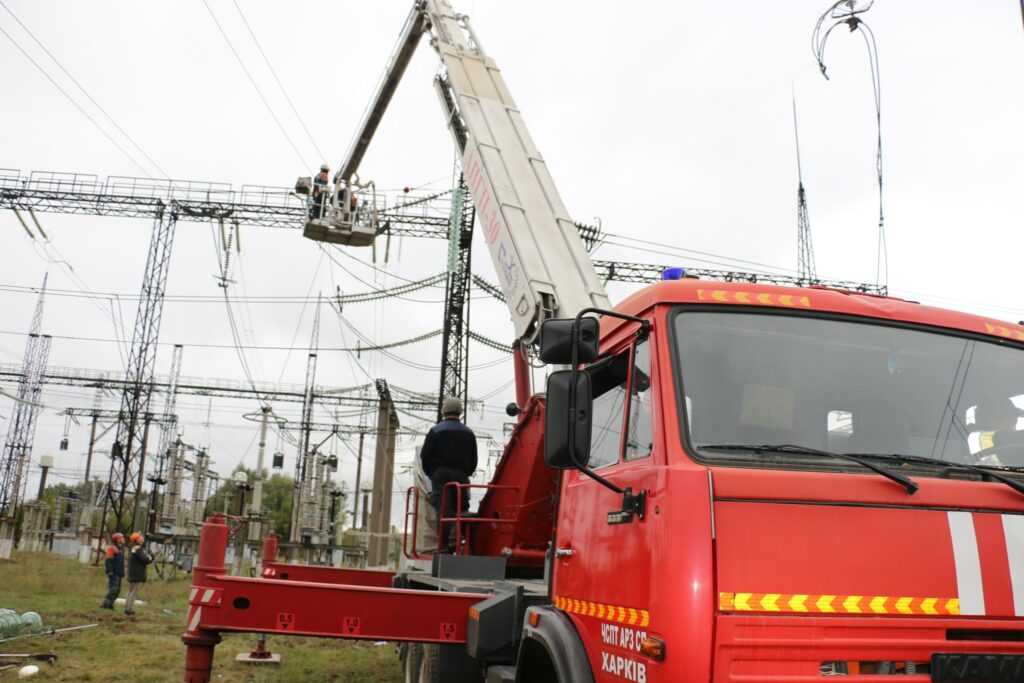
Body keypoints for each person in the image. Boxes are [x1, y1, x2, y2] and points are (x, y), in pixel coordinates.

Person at [419, 397, 477, 548]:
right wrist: (466, 474)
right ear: (460, 412)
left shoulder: (435, 431)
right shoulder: (469, 433)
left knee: (443, 510)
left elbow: (425, 456)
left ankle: (443, 547)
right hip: (461, 475)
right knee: (462, 509)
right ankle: (468, 544)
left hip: (440, 475)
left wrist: (431, 473)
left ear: (443, 411)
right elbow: (474, 458)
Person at [968, 398, 1024, 466]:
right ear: (982, 421)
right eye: (1001, 419)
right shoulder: (976, 463)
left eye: (1014, 422)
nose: (1009, 427)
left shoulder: (1019, 447)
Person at [124, 532, 154, 615]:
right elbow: (146, 560)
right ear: (137, 539)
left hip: (133, 574)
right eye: (141, 537)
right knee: (133, 593)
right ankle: (129, 610)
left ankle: (127, 608)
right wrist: (152, 555)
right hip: (137, 574)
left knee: (130, 592)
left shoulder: (134, 548)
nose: (143, 538)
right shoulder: (137, 549)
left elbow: (143, 556)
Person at [100, 532, 125, 610]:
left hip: (119, 573)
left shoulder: (121, 549)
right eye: (122, 537)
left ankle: (110, 605)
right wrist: (110, 571)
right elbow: (108, 560)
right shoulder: (112, 548)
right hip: (113, 573)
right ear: (117, 540)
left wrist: (122, 572)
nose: (123, 539)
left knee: (117, 591)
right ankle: (105, 605)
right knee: (113, 590)